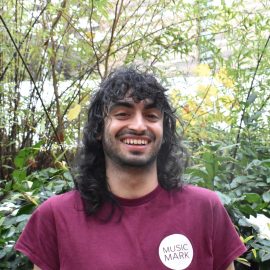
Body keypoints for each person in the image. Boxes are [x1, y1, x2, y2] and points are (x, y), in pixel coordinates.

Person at [15, 67, 246, 270]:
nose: (138, 125)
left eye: (151, 115)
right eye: (122, 114)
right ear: (98, 128)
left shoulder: (205, 209)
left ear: (163, 132)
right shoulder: (55, 217)